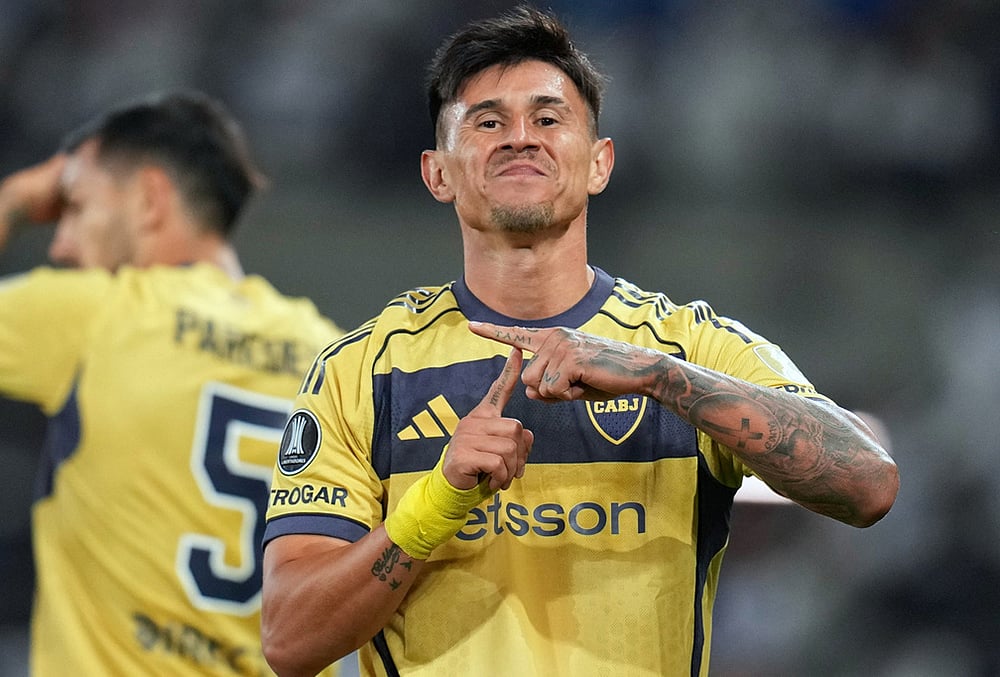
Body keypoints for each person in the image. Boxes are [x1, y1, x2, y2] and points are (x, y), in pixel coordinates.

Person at [260, 6, 899, 677]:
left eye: (548, 117)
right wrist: (436, 500)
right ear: (437, 173)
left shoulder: (685, 347)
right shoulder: (362, 372)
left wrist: (662, 378)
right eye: (486, 122)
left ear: (599, 163)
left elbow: (869, 483)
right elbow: (291, 639)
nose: (520, 139)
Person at [0, 91, 346, 676]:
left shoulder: (99, 316)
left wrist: (14, 199)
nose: (59, 243)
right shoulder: (332, 353)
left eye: (76, 207)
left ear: (150, 199)